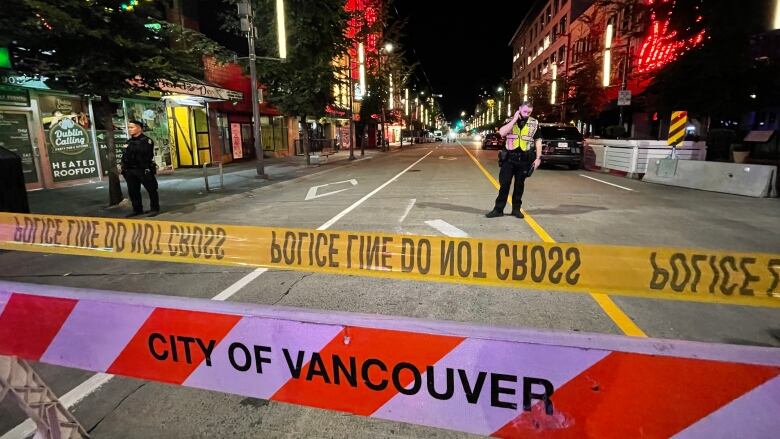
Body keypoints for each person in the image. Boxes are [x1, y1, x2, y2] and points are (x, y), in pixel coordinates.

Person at [485, 101, 542, 219]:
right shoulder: (509, 120)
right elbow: (502, 133)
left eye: (529, 112)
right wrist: (514, 119)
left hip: (525, 159)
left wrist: (538, 158)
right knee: (504, 184)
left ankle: (516, 209)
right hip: (509, 158)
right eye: (525, 111)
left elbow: (538, 141)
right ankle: (498, 209)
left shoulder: (534, 123)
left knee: (519, 185)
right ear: (519, 109)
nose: (526, 114)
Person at [121, 120, 159, 217]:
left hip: (143, 169)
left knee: (151, 189)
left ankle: (154, 208)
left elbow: (145, 155)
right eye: (129, 127)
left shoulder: (147, 141)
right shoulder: (129, 141)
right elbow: (125, 155)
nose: (129, 129)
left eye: (132, 127)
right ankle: (137, 209)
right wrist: (122, 166)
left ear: (139, 128)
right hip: (130, 170)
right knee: (133, 191)